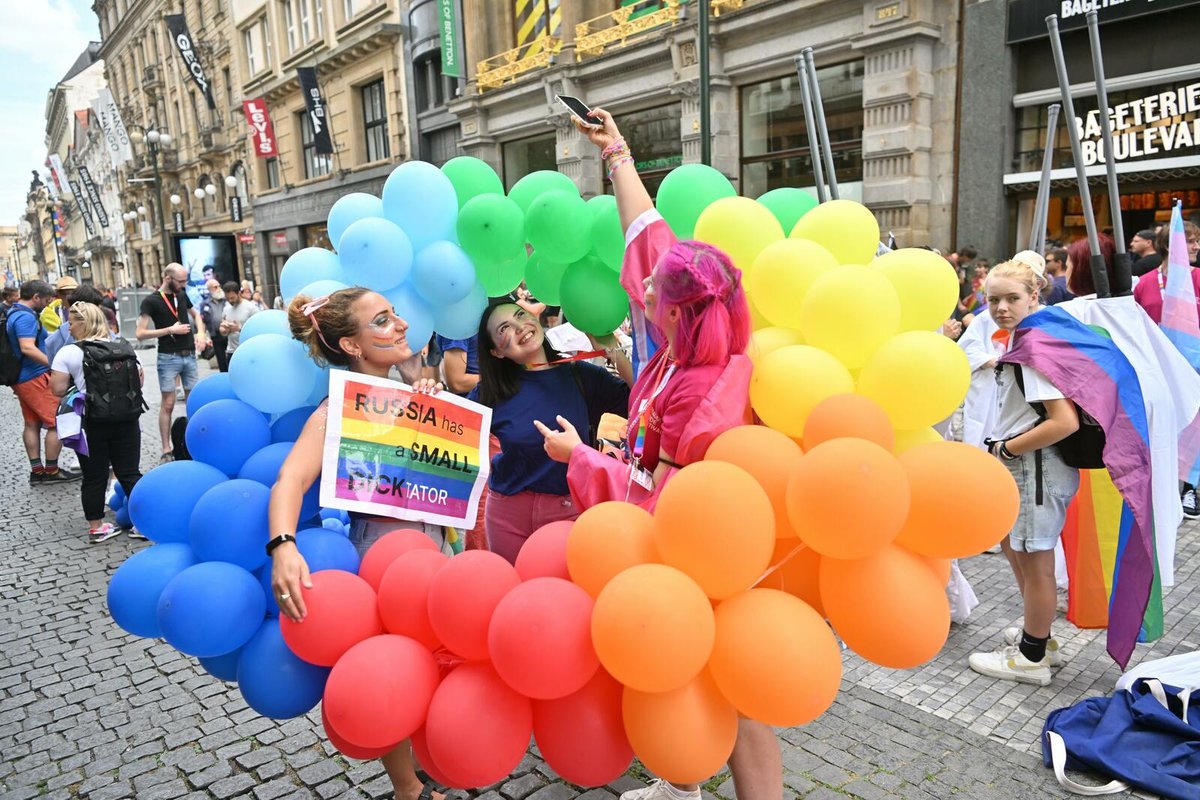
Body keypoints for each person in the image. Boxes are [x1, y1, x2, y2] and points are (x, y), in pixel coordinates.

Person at [536, 107, 776, 800]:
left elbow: (655, 505)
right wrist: (617, 155)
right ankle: (682, 782)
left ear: (679, 310)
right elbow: (648, 236)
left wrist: (578, 455)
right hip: (686, 535)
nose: (637, 289)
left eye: (652, 293)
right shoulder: (689, 333)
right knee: (683, 668)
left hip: (700, 553)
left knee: (726, 685)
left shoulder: (703, 394)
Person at [268, 287, 448, 800]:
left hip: (435, 548)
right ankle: (407, 788)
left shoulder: (415, 396)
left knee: (435, 661)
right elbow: (289, 480)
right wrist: (282, 545)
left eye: (395, 316)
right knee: (394, 667)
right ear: (351, 346)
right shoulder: (335, 412)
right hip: (385, 554)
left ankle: (432, 764)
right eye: (384, 322)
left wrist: (428, 401)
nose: (402, 326)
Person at [967, 258, 1081, 687]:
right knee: (1023, 554)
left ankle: (1031, 657)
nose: (1000, 308)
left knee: (1036, 566)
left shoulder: (1032, 348)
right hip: (1033, 467)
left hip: (1034, 467)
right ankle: (1040, 638)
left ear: (1034, 296)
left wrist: (1006, 448)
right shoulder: (1031, 338)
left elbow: (1063, 421)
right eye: (992, 299)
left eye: (1012, 298)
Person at [470, 300, 631, 563]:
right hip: (506, 515)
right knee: (515, 595)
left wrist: (611, 348)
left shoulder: (582, 377)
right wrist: (423, 388)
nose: (520, 327)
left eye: (521, 315)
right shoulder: (490, 392)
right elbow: (450, 430)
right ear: (496, 352)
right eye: (504, 329)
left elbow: (644, 401)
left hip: (569, 511)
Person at [49, 302, 145, 543]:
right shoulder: (124, 346)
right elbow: (139, 381)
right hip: (127, 419)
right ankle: (143, 524)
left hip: (91, 421)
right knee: (130, 472)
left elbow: (57, 389)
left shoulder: (69, 352)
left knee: (94, 475)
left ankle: (97, 527)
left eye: (71, 322)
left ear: (84, 323)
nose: (68, 327)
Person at [5, 279, 80, 484]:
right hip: (34, 376)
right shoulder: (25, 318)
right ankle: (51, 471)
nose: (48, 304)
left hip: (23, 377)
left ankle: (37, 471)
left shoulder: (14, 313)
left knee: (32, 423)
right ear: (36, 297)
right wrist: (54, 364)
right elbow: (27, 347)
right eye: (46, 300)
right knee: (56, 422)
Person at [136, 263, 208, 463]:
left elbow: (197, 316)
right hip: (168, 357)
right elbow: (140, 334)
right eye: (180, 281)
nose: (183, 285)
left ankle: (193, 444)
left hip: (189, 355)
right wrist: (170, 330)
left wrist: (200, 333)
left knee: (193, 401)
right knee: (167, 404)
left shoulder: (182, 296)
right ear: (168, 278)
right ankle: (166, 448)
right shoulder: (151, 301)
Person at [1133, 220, 1200, 325]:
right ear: (1168, 245)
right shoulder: (1142, 284)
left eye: (1197, 241)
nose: (1197, 247)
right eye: (1190, 241)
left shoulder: (1198, 277)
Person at [219, 280, 259, 357]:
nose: (230, 301)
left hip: (248, 351)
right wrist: (224, 330)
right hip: (231, 351)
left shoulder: (251, 308)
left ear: (239, 293)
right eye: (227, 298)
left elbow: (258, 330)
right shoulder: (226, 308)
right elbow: (223, 330)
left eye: (232, 298)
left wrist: (239, 329)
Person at [200, 279, 229, 371]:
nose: (219, 288)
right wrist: (204, 336)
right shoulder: (205, 304)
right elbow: (203, 320)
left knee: (231, 356)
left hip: (228, 332)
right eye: (215, 287)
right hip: (215, 335)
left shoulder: (226, 300)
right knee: (221, 359)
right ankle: (224, 377)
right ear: (209, 289)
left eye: (219, 286)